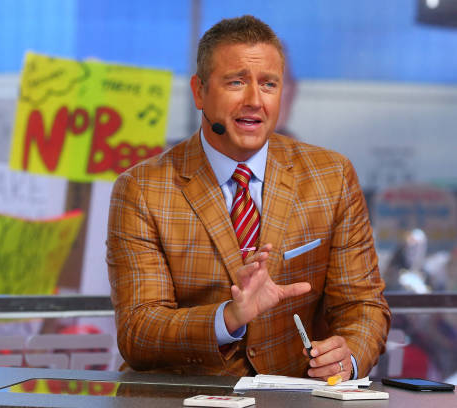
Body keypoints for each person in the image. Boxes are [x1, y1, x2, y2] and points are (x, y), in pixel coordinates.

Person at [107, 15, 390, 380]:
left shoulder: (332, 176)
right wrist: (229, 317)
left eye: (269, 84)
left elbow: (363, 305)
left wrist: (348, 356)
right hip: (183, 399)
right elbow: (138, 331)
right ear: (199, 91)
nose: (255, 100)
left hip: (295, 399)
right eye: (236, 82)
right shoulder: (142, 189)